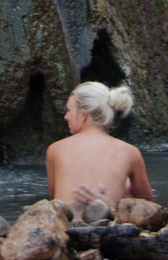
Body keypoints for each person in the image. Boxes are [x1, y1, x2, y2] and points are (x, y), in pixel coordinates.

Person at [45, 81, 152, 209]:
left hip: (67, 224)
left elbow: (53, 197)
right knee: (128, 189)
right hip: (108, 222)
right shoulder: (130, 152)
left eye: (68, 110)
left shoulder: (55, 149)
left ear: (83, 114)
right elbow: (147, 201)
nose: (65, 116)